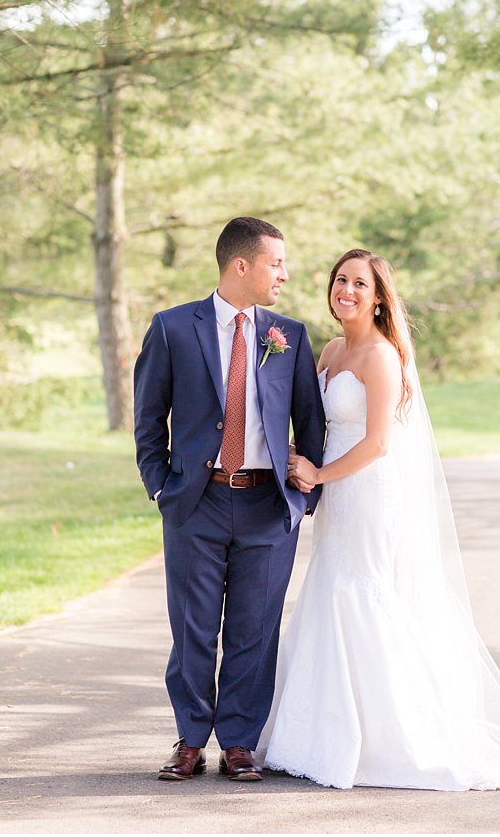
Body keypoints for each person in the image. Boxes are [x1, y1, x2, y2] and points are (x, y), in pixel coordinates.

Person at [258, 249, 500, 792]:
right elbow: (313, 418)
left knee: (362, 592)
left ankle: (387, 740)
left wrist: (320, 473)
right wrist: (296, 456)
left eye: (359, 283)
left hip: (367, 491)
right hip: (337, 490)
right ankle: (317, 733)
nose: (346, 290)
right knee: (331, 589)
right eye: (340, 280)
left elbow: (378, 443)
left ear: (378, 298)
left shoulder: (380, 356)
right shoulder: (330, 349)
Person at [133, 216, 326, 782]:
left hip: (268, 507)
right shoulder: (172, 328)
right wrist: (161, 487)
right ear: (241, 265)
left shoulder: (288, 333)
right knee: (192, 626)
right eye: (276, 263)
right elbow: (148, 420)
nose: (285, 275)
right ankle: (190, 740)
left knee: (255, 628)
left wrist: (301, 500)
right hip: (196, 503)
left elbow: (309, 421)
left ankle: (239, 741)